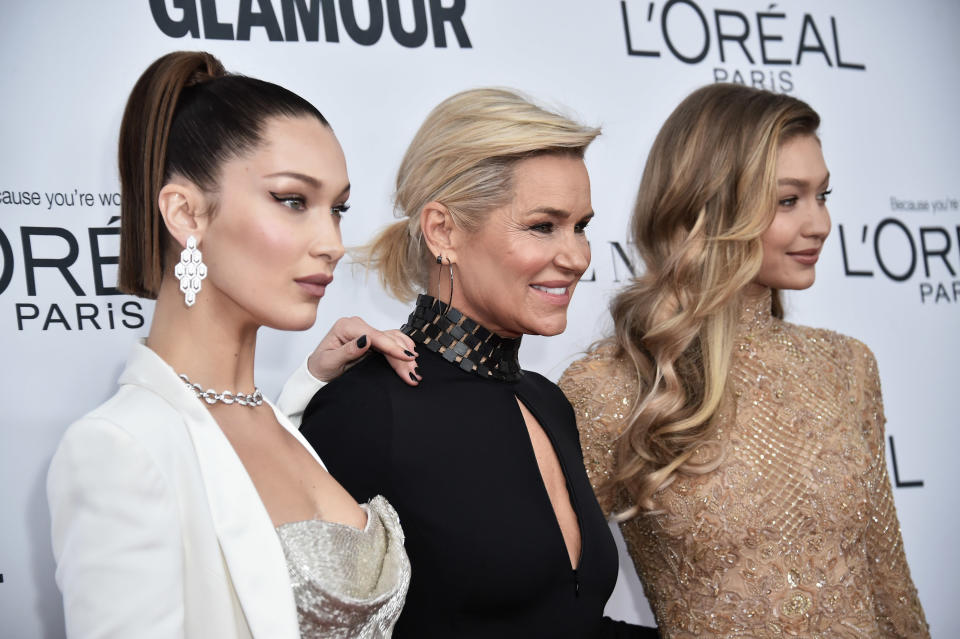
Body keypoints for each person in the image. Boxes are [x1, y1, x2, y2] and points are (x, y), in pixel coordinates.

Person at [46, 51, 415, 638]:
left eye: (337, 209)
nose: (332, 243)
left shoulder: (277, 421)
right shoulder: (119, 451)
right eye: (294, 200)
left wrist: (311, 381)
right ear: (186, 213)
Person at [280, 88, 658, 637]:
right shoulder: (368, 408)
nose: (576, 257)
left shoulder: (546, 401)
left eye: (581, 226)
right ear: (444, 231)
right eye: (543, 225)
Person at [559, 84, 929, 638]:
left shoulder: (847, 367)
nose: (820, 224)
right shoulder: (615, 387)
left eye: (823, 196)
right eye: (788, 200)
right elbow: (538, 595)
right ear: (709, 204)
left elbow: (889, 583)